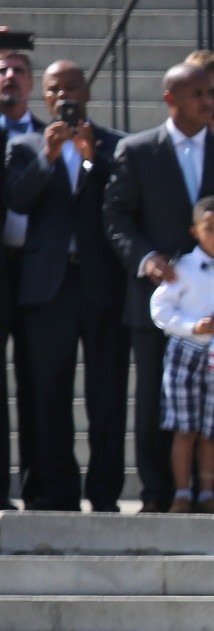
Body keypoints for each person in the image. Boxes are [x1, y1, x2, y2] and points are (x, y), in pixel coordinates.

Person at [104, 63, 214, 513]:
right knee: (158, 403)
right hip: (161, 302)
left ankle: (211, 493)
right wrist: (146, 258)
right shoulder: (137, 150)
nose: (207, 100)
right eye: (196, 93)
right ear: (170, 98)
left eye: (210, 92)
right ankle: (161, 494)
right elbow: (116, 215)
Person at [4, 59, 127, 512]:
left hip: (99, 284)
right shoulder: (24, 146)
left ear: (86, 93)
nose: (63, 97)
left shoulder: (114, 145)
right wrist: (49, 158)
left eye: (72, 88)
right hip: (46, 287)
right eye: (55, 90)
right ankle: (58, 491)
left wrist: (93, 159)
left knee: (107, 394)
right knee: (49, 393)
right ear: (45, 96)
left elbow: (124, 199)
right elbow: (17, 199)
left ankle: (105, 491)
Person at [148, 196, 214, 513]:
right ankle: (182, 493)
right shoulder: (181, 268)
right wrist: (193, 326)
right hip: (185, 352)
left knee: (212, 430)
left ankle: (209, 494)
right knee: (185, 429)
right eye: (210, 228)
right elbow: (160, 309)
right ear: (195, 231)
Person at [0, 45, 37, 510]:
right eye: (2, 69)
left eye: (19, 69)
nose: (10, 76)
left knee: (39, 385)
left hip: (38, 272)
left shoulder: (51, 136)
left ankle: (43, 485)